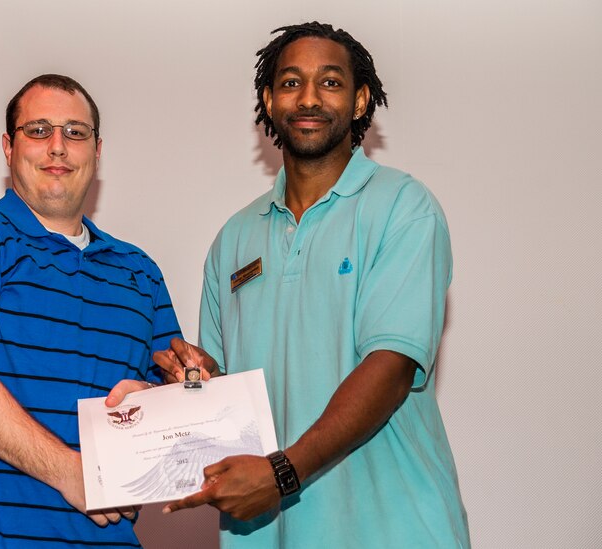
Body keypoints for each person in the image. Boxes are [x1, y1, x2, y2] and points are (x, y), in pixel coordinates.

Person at [152, 22, 470, 547]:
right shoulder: (233, 239)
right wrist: (196, 385)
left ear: (361, 99)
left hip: (396, 529)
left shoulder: (404, 208)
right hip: (267, 535)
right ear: (269, 99)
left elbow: (390, 370)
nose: (309, 98)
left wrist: (281, 473)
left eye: (330, 82)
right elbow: (226, 399)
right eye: (291, 82)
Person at [0, 74, 181, 547]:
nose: (58, 146)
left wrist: (175, 399)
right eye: (39, 130)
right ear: (9, 147)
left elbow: (166, 423)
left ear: (97, 150)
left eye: (75, 132)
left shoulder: (141, 272)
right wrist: (71, 472)